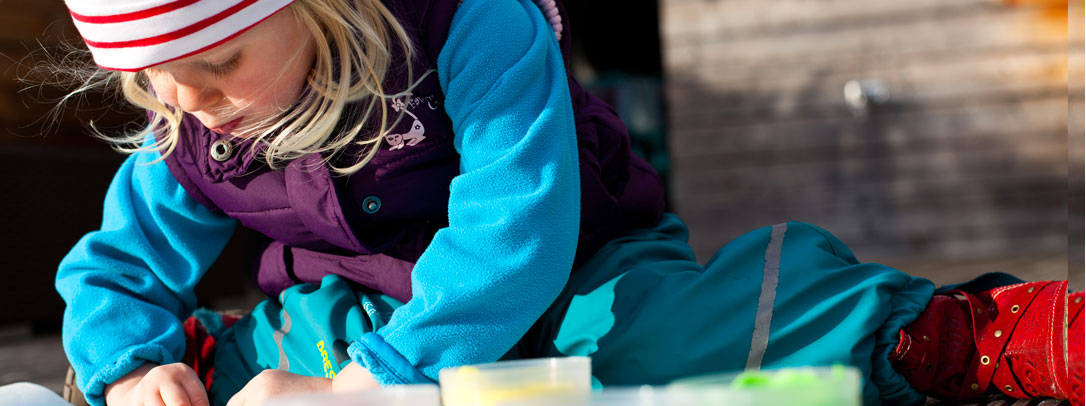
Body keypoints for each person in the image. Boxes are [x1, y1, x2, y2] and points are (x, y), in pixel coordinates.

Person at [48, 0, 1082, 405]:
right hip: (366, 315)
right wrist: (133, 363)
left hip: (573, 277)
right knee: (262, 371)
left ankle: (950, 339)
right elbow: (117, 262)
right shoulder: (191, 118)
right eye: (152, 82)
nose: (186, 104)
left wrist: (380, 385)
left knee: (675, 338)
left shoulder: (467, 26)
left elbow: (516, 224)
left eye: (219, 61)